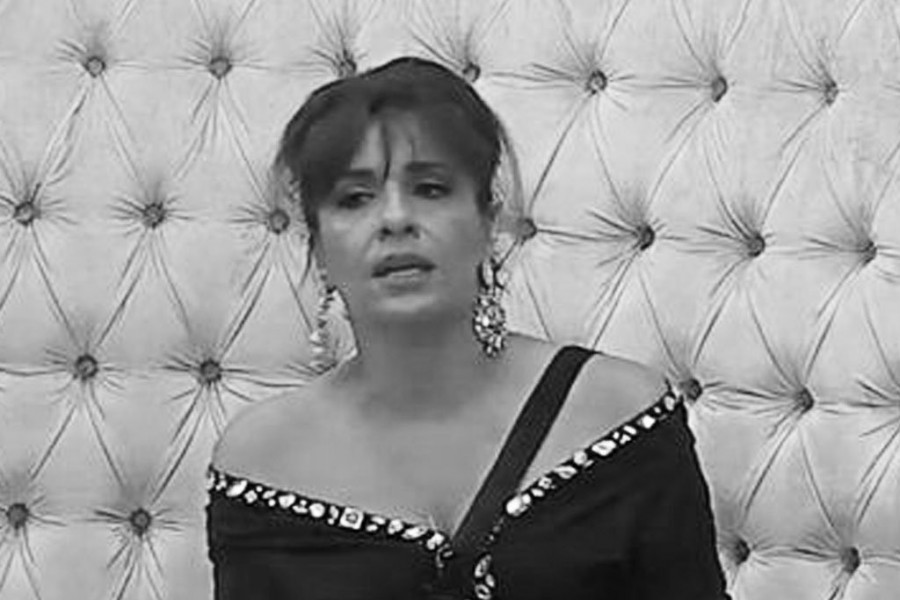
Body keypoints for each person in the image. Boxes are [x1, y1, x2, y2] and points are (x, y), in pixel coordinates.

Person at [205, 56, 730, 600]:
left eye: (430, 189)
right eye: (354, 199)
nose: (395, 219)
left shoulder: (619, 410)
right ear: (317, 245)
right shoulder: (259, 460)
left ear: (487, 223)